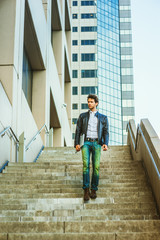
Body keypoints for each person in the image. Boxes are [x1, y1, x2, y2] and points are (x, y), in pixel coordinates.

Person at [74, 94, 109, 201]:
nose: (89, 103)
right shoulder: (82, 116)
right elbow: (78, 130)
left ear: (96, 103)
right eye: (88, 102)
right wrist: (76, 143)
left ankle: (94, 189)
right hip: (86, 143)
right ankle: (86, 190)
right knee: (85, 165)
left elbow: (105, 132)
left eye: (91, 102)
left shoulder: (103, 117)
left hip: (97, 143)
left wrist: (105, 143)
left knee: (96, 166)